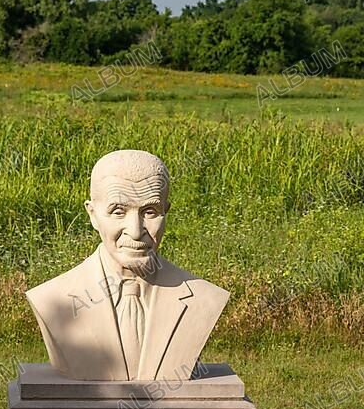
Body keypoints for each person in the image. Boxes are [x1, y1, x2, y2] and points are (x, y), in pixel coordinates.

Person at [26, 150, 229, 381]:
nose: (135, 230)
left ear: (166, 212)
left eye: (150, 211)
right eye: (118, 211)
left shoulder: (204, 297)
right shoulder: (52, 300)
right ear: (92, 214)